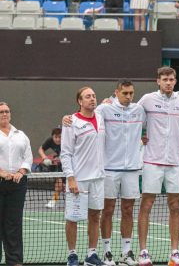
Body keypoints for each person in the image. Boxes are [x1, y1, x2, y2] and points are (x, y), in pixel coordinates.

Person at [136, 67, 179, 266]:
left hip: (176, 162)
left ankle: (175, 253)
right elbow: (132, 118)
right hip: (152, 161)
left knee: (175, 206)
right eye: (165, 79)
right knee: (147, 204)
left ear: (175, 81)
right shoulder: (147, 100)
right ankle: (143, 252)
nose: (168, 82)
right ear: (158, 81)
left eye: (171, 79)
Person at [96, 81, 146, 266]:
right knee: (107, 210)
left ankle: (127, 252)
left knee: (128, 210)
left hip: (132, 170)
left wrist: (144, 140)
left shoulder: (139, 110)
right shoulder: (104, 109)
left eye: (131, 93)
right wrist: (67, 119)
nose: (128, 96)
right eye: (124, 93)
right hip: (109, 169)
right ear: (116, 92)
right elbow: (86, 116)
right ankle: (107, 252)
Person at [61, 87, 106, 266]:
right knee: (72, 218)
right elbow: (65, 153)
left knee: (95, 216)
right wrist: (71, 177)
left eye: (94, 96)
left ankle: (91, 255)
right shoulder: (71, 122)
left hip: (98, 177)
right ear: (80, 101)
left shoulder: (101, 118)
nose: (92, 99)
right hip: (78, 178)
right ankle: (72, 255)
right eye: (88, 97)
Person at [0, 102, 33, 266]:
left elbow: (28, 157)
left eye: (7, 111)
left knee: (13, 223)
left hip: (17, 186)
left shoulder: (21, 135)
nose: (4, 114)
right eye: (1, 112)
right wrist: (1, 173)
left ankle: (14, 261)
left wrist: (21, 172)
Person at [39, 127, 64, 209]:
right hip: (61, 166)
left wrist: (61, 158)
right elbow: (40, 149)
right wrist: (44, 157)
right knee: (59, 185)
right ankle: (54, 201)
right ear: (52, 137)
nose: (57, 139)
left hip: (73, 166)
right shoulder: (50, 141)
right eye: (55, 137)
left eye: (60, 137)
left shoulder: (67, 141)